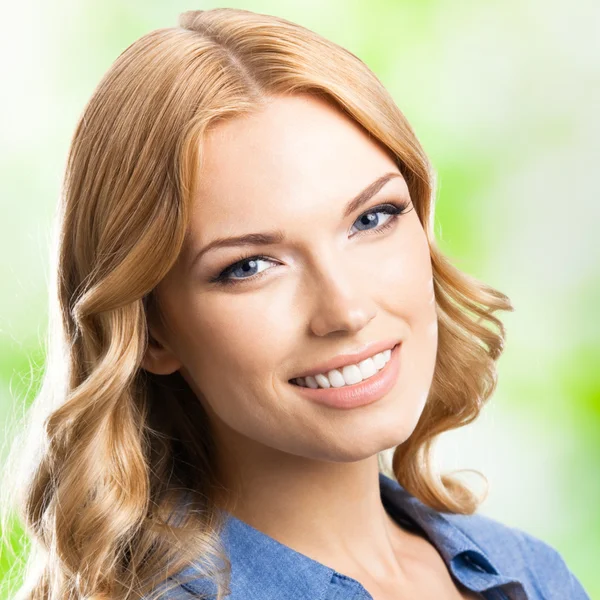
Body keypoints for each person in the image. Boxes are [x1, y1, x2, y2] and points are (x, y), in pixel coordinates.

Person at [1, 7, 590, 600]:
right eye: (249, 266)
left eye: (372, 218)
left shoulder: (530, 572)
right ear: (152, 332)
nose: (347, 310)